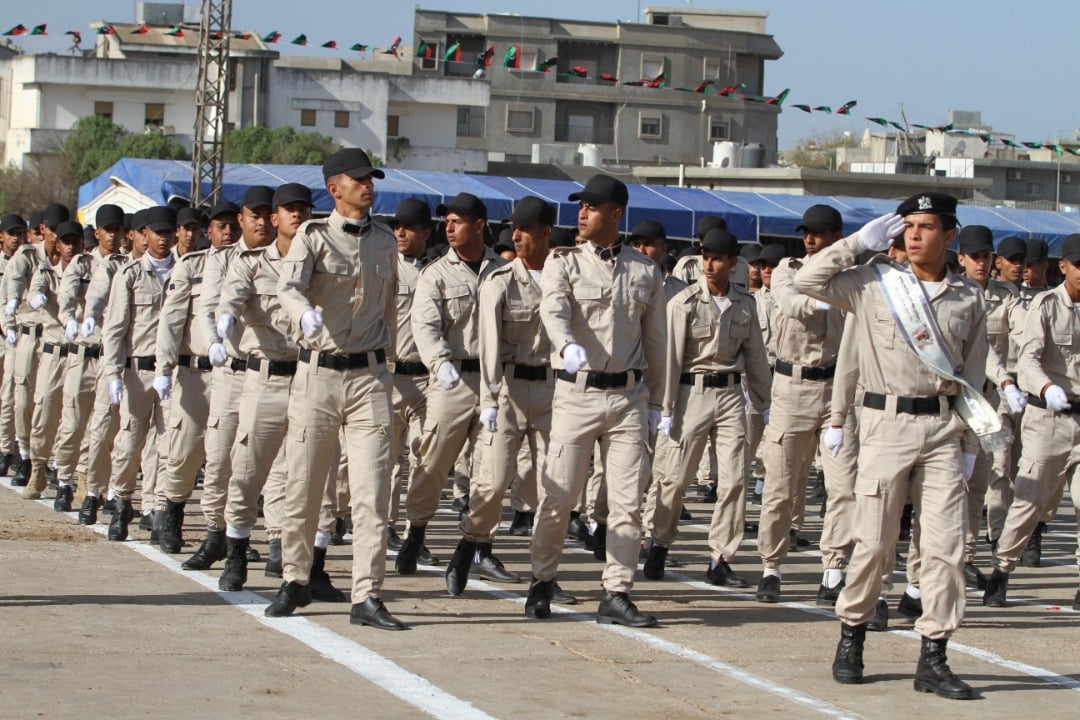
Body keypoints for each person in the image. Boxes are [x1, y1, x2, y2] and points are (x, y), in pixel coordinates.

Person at [796, 192, 987, 700]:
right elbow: (806, 280)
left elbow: (973, 375)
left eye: (927, 227)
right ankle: (852, 633)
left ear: (950, 235)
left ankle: (934, 655)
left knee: (945, 548)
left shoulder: (968, 297)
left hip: (943, 429)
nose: (915, 235)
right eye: (909, 227)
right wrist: (858, 242)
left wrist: (970, 442)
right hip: (886, 426)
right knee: (875, 543)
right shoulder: (874, 283)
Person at [267, 148, 403, 630]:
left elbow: (389, 308)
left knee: (372, 492)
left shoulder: (384, 241)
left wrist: (391, 368)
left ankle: (367, 595)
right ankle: (295, 579)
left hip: (369, 378)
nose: (368, 185)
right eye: (359, 179)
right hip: (318, 376)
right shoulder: (313, 236)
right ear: (334, 188)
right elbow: (288, 287)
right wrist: (302, 313)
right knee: (304, 486)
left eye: (371, 179)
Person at [528, 174, 666, 625]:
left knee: (628, 501)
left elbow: (657, 342)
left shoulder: (645, 271)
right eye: (580, 206)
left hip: (628, 398)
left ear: (615, 213)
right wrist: (565, 343)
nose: (582, 213)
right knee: (559, 496)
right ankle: (542, 580)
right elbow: (553, 308)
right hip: (577, 394)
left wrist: (657, 405)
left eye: (591, 206)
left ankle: (617, 591)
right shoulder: (563, 262)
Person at [444, 196, 569, 597]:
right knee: (493, 481)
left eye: (525, 229)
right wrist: (489, 401)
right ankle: (470, 542)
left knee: (555, 489)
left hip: (554, 391)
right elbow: (489, 349)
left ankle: (544, 576)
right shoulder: (499, 281)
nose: (515, 236)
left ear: (546, 232)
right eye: (513, 228)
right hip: (509, 392)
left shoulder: (564, 275)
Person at [645, 228, 770, 581]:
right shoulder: (683, 303)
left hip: (731, 396)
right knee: (674, 479)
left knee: (734, 481)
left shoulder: (745, 304)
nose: (709, 265)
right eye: (705, 257)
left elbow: (756, 357)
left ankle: (720, 559)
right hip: (690, 395)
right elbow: (670, 360)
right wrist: (665, 408)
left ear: (733, 263)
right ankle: (659, 542)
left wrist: (766, 401)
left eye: (717, 259)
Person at [398, 192, 506, 575]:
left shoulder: (504, 272)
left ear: (479, 225)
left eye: (457, 221)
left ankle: (477, 544)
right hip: (452, 380)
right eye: (446, 222)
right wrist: (439, 361)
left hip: (496, 383)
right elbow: (425, 325)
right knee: (432, 463)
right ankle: (416, 531)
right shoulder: (436, 274)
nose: (449, 227)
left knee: (492, 472)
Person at [215, 183, 315, 594]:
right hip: (266, 378)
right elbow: (232, 296)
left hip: (309, 377)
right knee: (247, 470)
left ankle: (297, 561)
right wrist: (224, 320)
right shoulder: (253, 263)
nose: (297, 215)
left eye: (303, 209)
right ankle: (236, 551)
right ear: (275, 218)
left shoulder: (321, 262)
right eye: (289, 209)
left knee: (304, 474)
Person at [755, 205, 853, 602]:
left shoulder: (852, 278)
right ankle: (771, 566)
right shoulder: (787, 268)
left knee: (843, 487)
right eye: (806, 232)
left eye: (819, 233)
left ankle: (833, 569)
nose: (810, 239)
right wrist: (823, 302)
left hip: (837, 390)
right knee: (781, 486)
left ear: (837, 237)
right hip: (792, 388)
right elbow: (790, 301)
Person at [984, 233, 1080, 612]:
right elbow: (1027, 359)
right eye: (1078, 265)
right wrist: (1047, 387)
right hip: (1049, 419)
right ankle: (1002, 568)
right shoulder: (1046, 305)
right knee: (1028, 501)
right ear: (1063, 266)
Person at [183, 186, 275, 571]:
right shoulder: (222, 260)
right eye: (254, 215)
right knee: (220, 457)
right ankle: (215, 533)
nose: (261, 222)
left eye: (267, 215)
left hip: (270, 373)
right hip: (231, 372)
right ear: (241, 219)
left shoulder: (289, 257)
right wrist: (213, 342)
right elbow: (207, 309)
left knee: (269, 465)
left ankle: (272, 541)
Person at [154, 200, 240, 554]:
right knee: (185, 451)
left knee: (227, 457)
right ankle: (171, 513)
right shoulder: (191, 267)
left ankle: (220, 531)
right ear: (209, 231)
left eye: (233, 226)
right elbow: (171, 321)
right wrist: (163, 369)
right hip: (195, 374)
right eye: (221, 227)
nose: (228, 233)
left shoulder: (252, 264)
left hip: (233, 375)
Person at [954, 226, 1026, 589]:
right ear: (961, 259)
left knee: (985, 476)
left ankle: (974, 552)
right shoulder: (952, 293)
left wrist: (1011, 382)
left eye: (986, 256)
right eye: (975, 256)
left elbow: (1020, 336)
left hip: (991, 400)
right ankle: (944, 556)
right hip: (956, 402)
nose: (981, 263)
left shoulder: (1007, 295)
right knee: (952, 482)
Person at [100, 206, 177, 541]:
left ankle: (157, 510)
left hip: (172, 374)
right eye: (157, 233)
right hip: (137, 372)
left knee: (167, 445)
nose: (163, 239)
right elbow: (115, 329)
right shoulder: (130, 274)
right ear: (144, 234)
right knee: (130, 443)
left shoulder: (183, 271)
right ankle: (121, 502)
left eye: (168, 233)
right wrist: (113, 373)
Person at [51, 205, 125, 511]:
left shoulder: (125, 265)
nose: (113, 235)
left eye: (117, 230)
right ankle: (64, 480)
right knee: (72, 423)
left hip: (109, 356)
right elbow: (66, 297)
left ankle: (89, 482)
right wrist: (69, 320)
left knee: (103, 427)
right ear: (97, 233)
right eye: (108, 230)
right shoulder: (82, 264)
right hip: (82, 354)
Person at [386, 198, 434, 550]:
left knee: (425, 459)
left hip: (428, 379)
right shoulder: (386, 268)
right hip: (390, 375)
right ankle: (385, 526)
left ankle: (414, 534)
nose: (401, 233)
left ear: (426, 232)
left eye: (409, 227)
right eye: (397, 227)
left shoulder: (437, 272)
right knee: (385, 460)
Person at [0, 214, 28, 477]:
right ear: (2, 236)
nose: (17, 238)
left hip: (21, 338)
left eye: (20, 233)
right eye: (12, 233)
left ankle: (13, 450)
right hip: (4, 335)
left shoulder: (29, 263)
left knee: (15, 396)